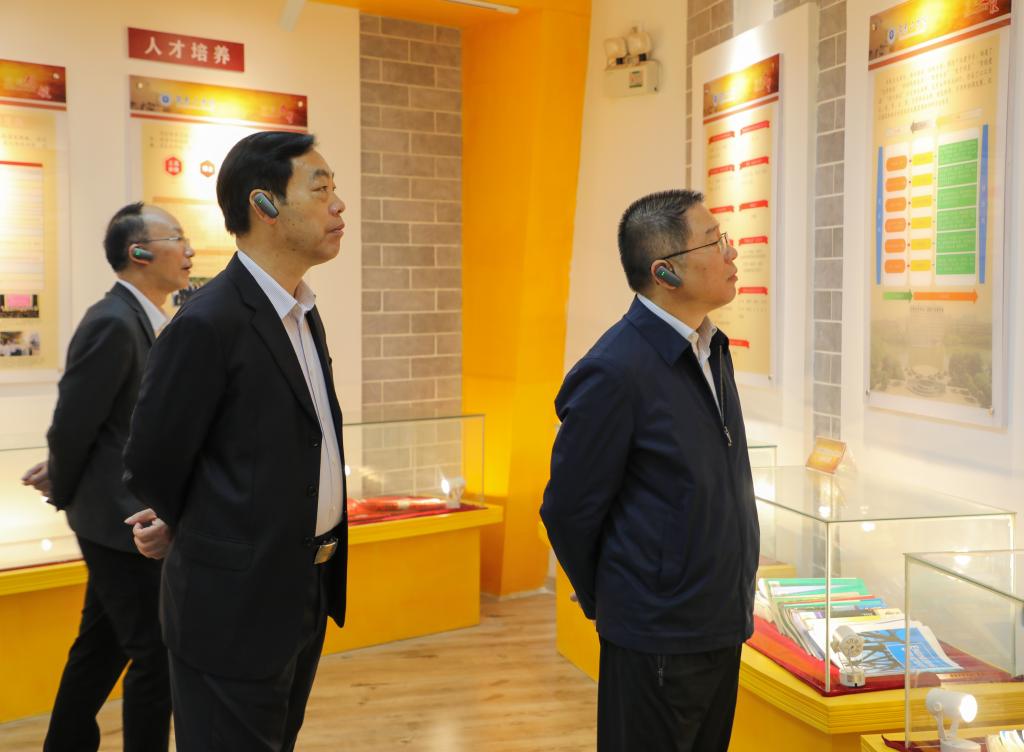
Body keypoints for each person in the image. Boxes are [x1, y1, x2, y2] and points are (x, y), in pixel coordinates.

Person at [122, 130, 348, 751]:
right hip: (231, 607)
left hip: (300, 589)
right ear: (264, 204)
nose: (338, 205)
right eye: (320, 189)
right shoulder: (208, 322)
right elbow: (152, 460)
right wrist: (191, 522)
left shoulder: (302, 312)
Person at [540, 189, 759, 752]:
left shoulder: (710, 348)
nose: (732, 252)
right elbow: (567, 509)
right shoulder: (615, 370)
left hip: (718, 623)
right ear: (665, 272)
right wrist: (620, 599)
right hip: (657, 636)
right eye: (714, 242)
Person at [21, 202, 194, 751]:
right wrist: (63, 483)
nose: (189, 250)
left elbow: (116, 424)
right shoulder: (113, 322)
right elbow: (73, 423)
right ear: (139, 252)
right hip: (116, 522)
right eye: (176, 238)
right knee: (155, 655)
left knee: (101, 647)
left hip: (122, 513)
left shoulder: (143, 319)